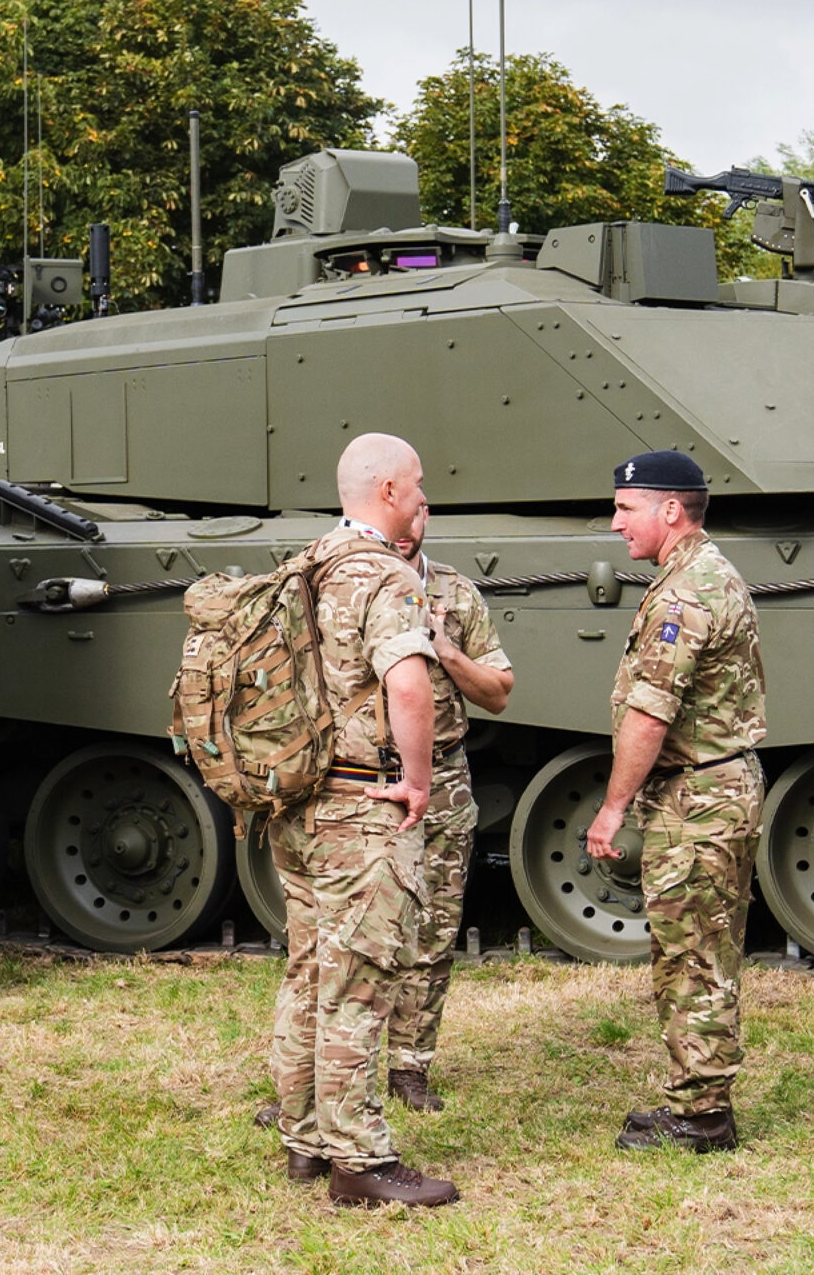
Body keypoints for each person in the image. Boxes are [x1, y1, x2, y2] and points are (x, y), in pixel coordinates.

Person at [265, 432, 457, 1208]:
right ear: (384, 491)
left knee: (309, 973)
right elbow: (408, 686)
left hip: (299, 802)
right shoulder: (385, 575)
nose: (421, 498)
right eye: (415, 485)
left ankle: (303, 1142)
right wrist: (417, 782)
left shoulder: (303, 567)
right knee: (360, 985)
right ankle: (360, 1162)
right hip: (360, 806)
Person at [585, 450, 768, 1154]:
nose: (614, 523)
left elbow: (651, 715)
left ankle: (700, 1115)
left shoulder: (686, 593)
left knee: (691, 952)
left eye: (625, 509)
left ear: (670, 510)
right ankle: (701, 1100)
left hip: (697, 797)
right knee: (701, 946)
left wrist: (612, 808)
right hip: (715, 788)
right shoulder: (706, 573)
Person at [383, 505, 513, 1114]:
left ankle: (409, 1066)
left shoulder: (456, 592)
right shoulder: (345, 585)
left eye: (417, 515)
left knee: (433, 930)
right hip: (367, 779)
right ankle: (323, 1073)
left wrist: (449, 653)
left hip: (444, 778)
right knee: (351, 934)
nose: (406, 528)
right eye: (397, 514)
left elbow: (500, 693)